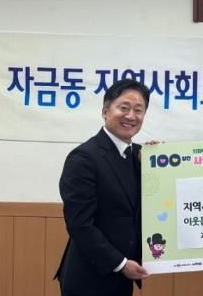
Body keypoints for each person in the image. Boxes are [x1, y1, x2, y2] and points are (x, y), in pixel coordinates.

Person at [55, 79, 151, 296]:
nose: (131, 116)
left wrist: (160, 165)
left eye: (138, 110)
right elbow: (80, 224)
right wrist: (120, 264)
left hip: (122, 277)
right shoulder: (83, 158)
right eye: (124, 108)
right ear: (105, 112)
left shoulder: (140, 156)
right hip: (90, 279)